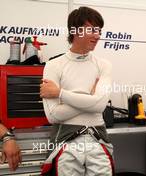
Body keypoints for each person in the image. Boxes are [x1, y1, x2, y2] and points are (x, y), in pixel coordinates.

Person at [40, 6, 114, 175]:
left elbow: (100, 106)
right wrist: (90, 98)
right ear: (75, 30)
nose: (97, 35)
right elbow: (53, 116)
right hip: (66, 141)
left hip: (98, 140)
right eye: (92, 30)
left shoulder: (104, 65)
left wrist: (60, 94)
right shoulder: (53, 65)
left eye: (99, 30)